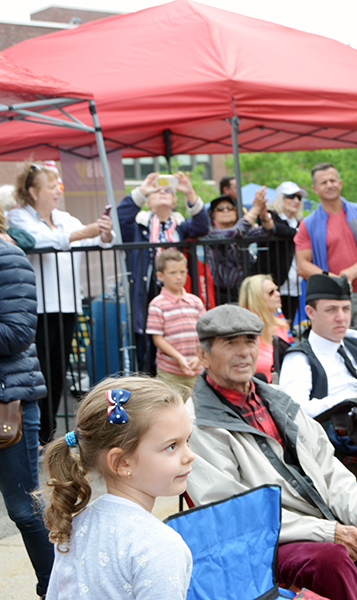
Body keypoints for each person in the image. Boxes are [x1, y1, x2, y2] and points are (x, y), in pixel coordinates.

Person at [186, 304, 357, 600]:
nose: (244, 352)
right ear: (203, 355)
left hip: (315, 525)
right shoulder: (197, 422)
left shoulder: (278, 399)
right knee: (329, 560)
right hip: (258, 543)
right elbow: (235, 515)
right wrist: (328, 531)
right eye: (230, 343)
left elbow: (329, 470)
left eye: (250, 341)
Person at [40, 377, 194, 599]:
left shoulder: (75, 525)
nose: (190, 455)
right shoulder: (160, 546)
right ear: (122, 463)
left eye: (187, 440)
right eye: (172, 446)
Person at [8, 162, 114, 444]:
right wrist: (87, 231)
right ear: (33, 191)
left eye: (58, 186)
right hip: (38, 307)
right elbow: (43, 240)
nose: (58, 192)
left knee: (57, 371)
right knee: (38, 370)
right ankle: (34, 432)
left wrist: (103, 231)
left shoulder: (65, 217)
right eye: (52, 186)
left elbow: (98, 240)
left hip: (67, 304)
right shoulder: (18, 218)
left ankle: (47, 433)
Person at [0, 233, 54, 598]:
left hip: (9, 402)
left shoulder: (8, 257)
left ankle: (57, 587)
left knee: (24, 508)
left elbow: (18, 332)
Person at [117, 171, 209, 374]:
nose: (162, 193)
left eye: (167, 190)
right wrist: (142, 191)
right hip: (147, 291)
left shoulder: (181, 226)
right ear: (147, 202)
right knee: (146, 347)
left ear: (175, 201)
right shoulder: (138, 227)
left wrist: (190, 192)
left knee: (176, 337)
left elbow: (203, 225)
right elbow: (120, 218)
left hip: (176, 292)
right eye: (156, 191)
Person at [280, 274, 357, 422]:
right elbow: (294, 411)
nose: (341, 317)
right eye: (331, 310)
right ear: (310, 312)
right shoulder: (299, 359)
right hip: (334, 440)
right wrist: (356, 397)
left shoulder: (356, 343)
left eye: (346, 309)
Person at [295, 163, 357, 336]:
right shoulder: (307, 225)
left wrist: (355, 269)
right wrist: (334, 279)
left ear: (340, 183)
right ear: (314, 189)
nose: (329, 185)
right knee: (333, 356)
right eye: (324, 182)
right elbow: (302, 266)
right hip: (329, 302)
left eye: (333, 180)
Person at [146, 249, 206, 396]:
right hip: (170, 372)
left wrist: (199, 358)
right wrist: (179, 358)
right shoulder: (157, 304)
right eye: (173, 273)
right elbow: (158, 339)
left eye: (182, 272)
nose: (179, 277)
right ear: (160, 276)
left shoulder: (195, 301)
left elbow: (205, 333)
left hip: (197, 370)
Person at [204, 187, 279, 305]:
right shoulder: (210, 234)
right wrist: (255, 210)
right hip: (221, 294)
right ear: (213, 215)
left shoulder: (242, 234)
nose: (225, 211)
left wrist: (264, 215)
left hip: (245, 291)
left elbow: (267, 231)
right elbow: (233, 233)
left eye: (230, 208)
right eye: (220, 209)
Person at [238, 274, 292, 383]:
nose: (278, 294)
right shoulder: (241, 333)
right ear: (256, 299)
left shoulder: (282, 326)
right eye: (271, 292)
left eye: (277, 290)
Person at [267, 181, 308, 326]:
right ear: (280, 198)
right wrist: (296, 233)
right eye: (291, 196)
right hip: (275, 279)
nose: (296, 200)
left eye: (299, 197)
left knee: (288, 322)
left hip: (294, 282)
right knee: (272, 322)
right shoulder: (271, 216)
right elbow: (274, 228)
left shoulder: (300, 221)